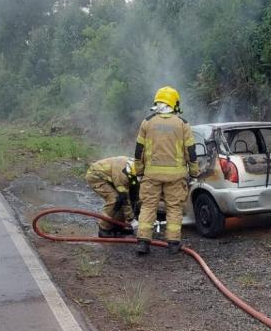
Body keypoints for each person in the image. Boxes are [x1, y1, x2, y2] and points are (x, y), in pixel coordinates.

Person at [133, 86, 199, 255]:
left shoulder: (147, 123)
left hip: (151, 175)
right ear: (174, 103)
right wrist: (194, 172)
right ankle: (173, 244)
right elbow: (191, 152)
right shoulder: (182, 124)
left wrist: (139, 171)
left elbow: (139, 150)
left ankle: (143, 242)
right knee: (174, 208)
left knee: (148, 207)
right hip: (176, 177)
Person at [85, 156, 139, 237]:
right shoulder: (122, 174)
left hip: (111, 177)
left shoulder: (137, 167)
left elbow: (134, 196)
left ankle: (118, 226)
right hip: (96, 176)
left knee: (124, 201)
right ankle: (103, 229)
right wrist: (132, 220)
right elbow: (124, 198)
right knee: (115, 199)